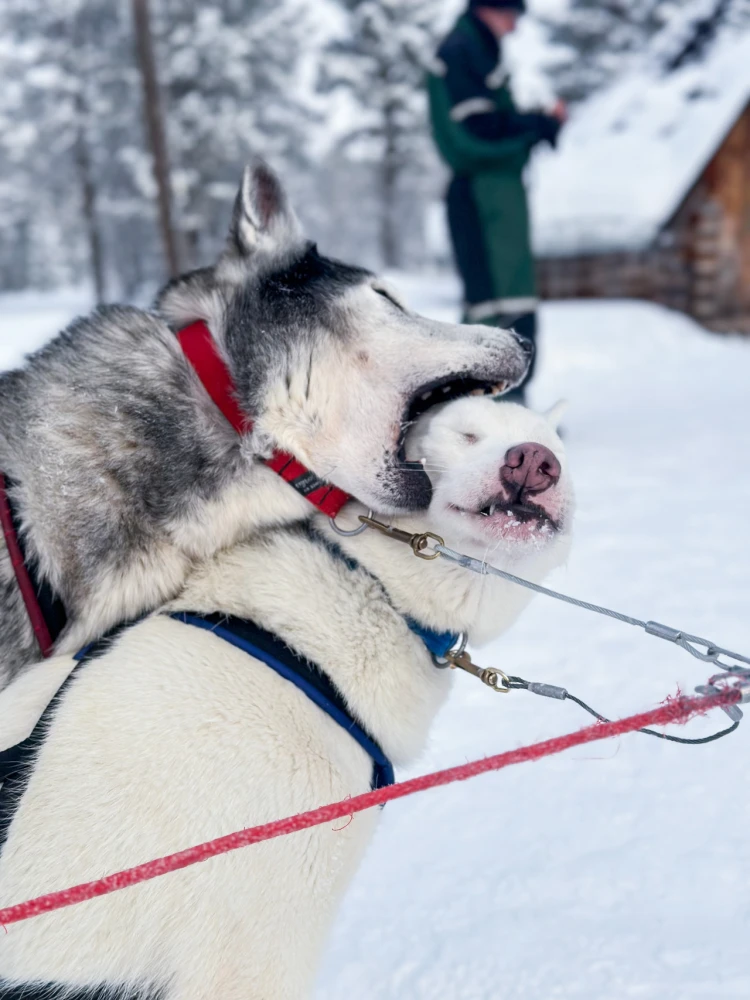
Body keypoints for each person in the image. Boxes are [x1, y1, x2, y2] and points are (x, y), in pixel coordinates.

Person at [428, 0, 566, 403]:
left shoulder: (477, 50)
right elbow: (479, 131)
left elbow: (491, 123)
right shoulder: (462, 50)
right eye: (512, 15)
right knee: (497, 299)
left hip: (497, 190)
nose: (515, 27)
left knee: (509, 294)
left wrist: (535, 123)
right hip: (483, 192)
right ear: (490, 8)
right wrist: (538, 124)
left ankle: (504, 403)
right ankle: (493, 409)